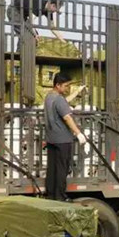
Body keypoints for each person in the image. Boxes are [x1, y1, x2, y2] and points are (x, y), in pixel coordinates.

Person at [44, 73, 87, 201]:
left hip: (51, 139)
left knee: (52, 168)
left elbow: (64, 103)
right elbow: (67, 117)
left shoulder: (49, 97)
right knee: (62, 169)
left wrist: (77, 92)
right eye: (66, 86)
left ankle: (51, 194)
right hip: (63, 140)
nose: (67, 88)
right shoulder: (59, 99)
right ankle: (60, 196)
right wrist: (78, 133)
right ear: (58, 85)